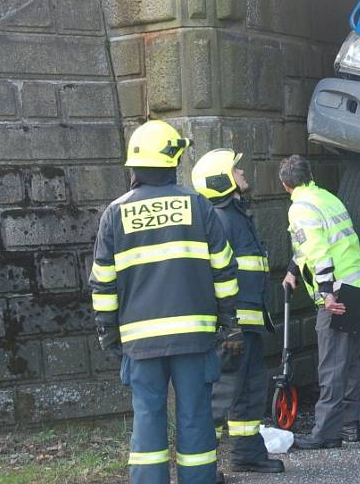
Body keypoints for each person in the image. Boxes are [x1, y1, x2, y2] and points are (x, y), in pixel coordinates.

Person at [89, 120, 238, 484]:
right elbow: (224, 269)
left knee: (148, 420)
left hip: (139, 343)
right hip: (195, 336)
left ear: (134, 168)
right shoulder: (198, 206)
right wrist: (228, 322)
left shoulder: (115, 214)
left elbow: (103, 283)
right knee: (195, 417)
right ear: (173, 161)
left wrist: (109, 334)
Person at [191, 148, 285, 474]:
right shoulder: (218, 220)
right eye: (236, 170)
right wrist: (225, 324)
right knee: (221, 395)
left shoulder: (236, 215)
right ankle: (203, 467)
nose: (242, 174)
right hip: (233, 325)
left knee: (249, 390)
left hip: (250, 323)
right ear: (222, 181)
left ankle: (247, 453)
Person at [278, 154, 360, 449]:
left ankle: (326, 433)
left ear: (285, 185)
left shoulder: (299, 208)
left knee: (332, 365)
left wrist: (326, 293)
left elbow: (318, 250)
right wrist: (293, 270)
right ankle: (349, 425)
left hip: (339, 290)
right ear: (309, 175)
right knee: (350, 362)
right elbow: (313, 243)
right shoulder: (327, 198)